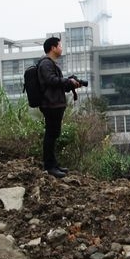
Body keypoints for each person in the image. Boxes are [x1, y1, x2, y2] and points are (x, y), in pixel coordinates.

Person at [37, 36, 81, 178]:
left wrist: (70, 83)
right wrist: (67, 81)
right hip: (51, 104)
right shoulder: (45, 64)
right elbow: (51, 80)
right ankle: (49, 166)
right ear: (53, 48)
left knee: (54, 134)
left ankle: (54, 164)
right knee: (50, 134)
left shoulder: (51, 64)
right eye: (60, 46)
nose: (61, 48)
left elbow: (56, 84)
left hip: (55, 103)